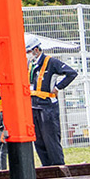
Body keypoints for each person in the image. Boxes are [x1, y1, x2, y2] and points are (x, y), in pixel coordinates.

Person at [28, 38, 78, 166]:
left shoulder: (51, 62)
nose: (27, 54)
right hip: (33, 105)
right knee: (38, 140)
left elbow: (71, 73)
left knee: (50, 138)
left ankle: (57, 166)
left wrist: (57, 88)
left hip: (47, 106)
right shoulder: (31, 65)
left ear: (36, 50)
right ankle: (46, 167)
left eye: (29, 51)